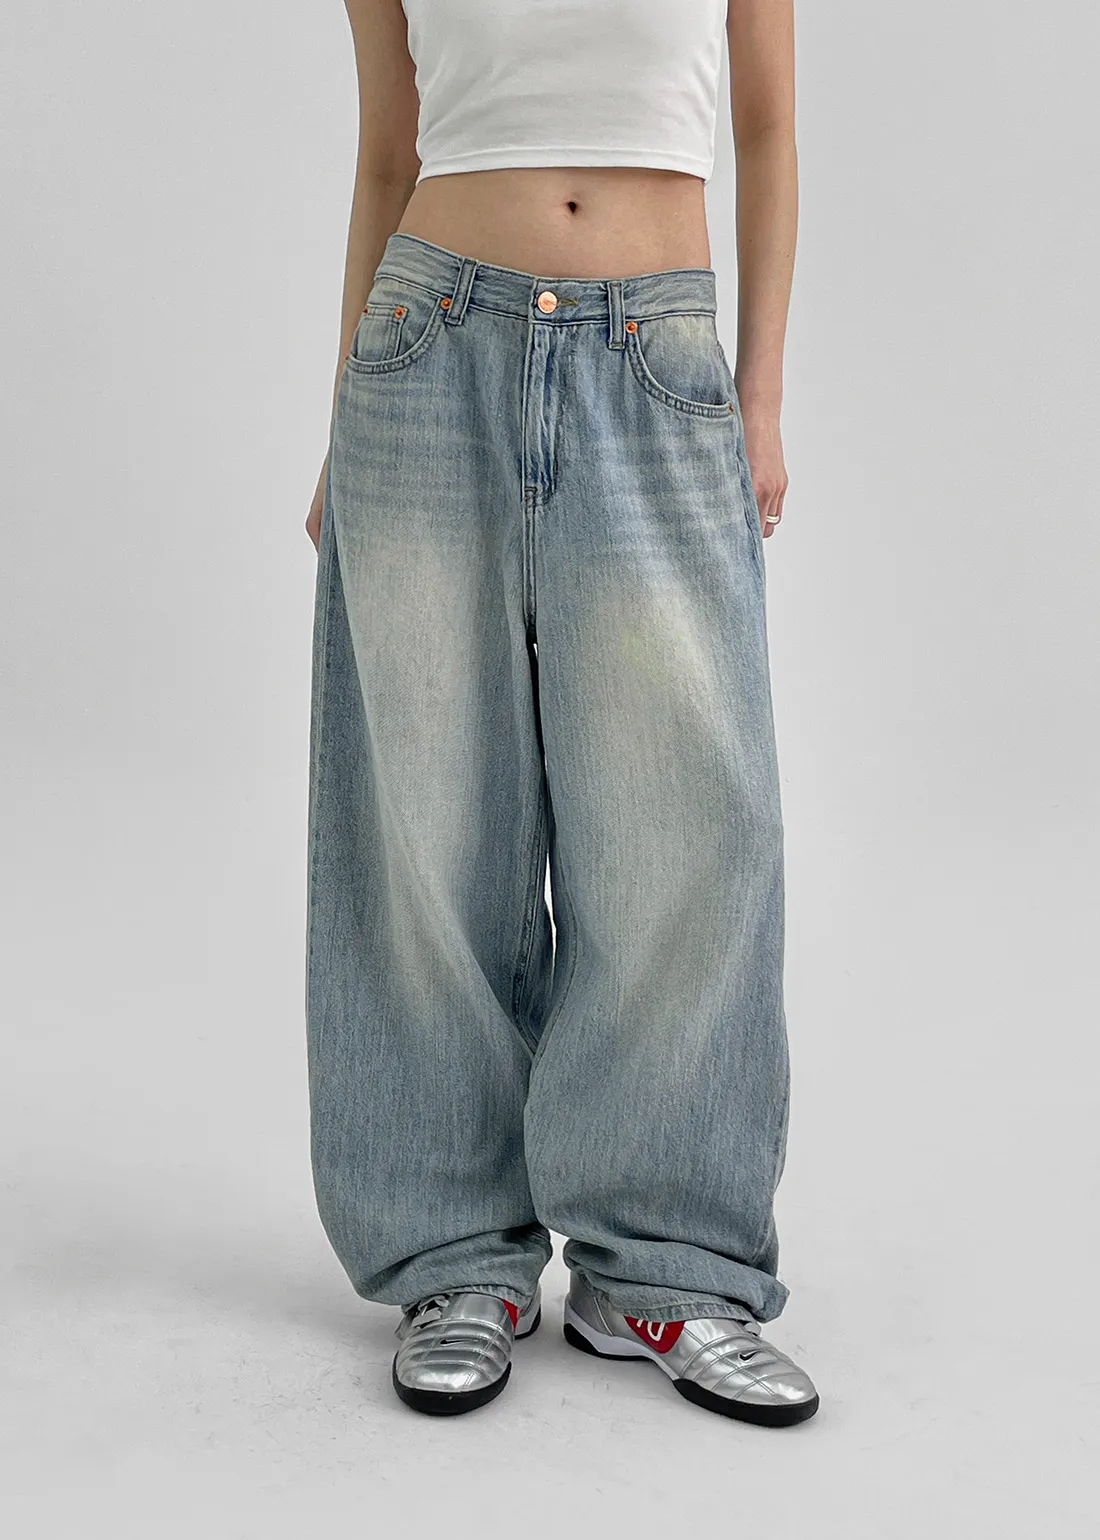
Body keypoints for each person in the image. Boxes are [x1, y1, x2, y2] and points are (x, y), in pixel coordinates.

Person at [304, 0, 818, 1427]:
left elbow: (770, 128)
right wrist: (344, 419)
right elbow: (387, 156)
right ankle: (453, 1258)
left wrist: (760, 397)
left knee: (686, 834)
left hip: (659, 356)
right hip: (427, 353)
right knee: (427, 832)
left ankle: (666, 1269)